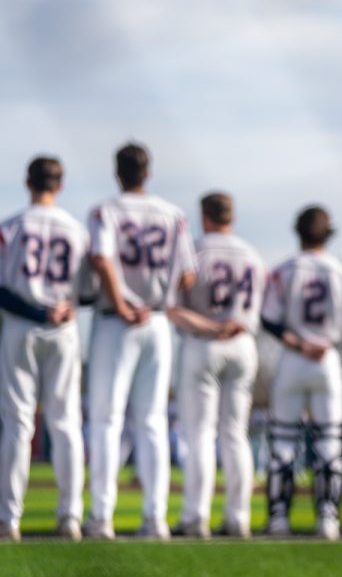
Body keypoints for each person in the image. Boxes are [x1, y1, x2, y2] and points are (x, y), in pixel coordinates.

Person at [86, 143, 197, 540]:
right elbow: (188, 275)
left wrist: (121, 303)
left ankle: (102, 517)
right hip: (158, 321)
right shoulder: (174, 215)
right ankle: (156, 518)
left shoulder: (106, 211)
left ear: (118, 172)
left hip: (117, 322)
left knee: (107, 420)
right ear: (147, 173)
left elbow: (101, 259)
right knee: (151, 422)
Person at [0, 157, 92, 541]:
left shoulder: (11, 227)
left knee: (19, 423)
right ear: (61, 183)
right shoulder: (77, 229)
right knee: (66, 422)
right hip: (64, 329)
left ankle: (9, 519)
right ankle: (70, 516)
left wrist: (37, 309)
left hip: (21, 325)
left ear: (27, 181)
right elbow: (88, 291)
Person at [167, 192, 266, 539]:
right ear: (232, 217)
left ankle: (196, 517)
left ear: (204, 216)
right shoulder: (252, 253)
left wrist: (211, 327)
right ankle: (238, 518)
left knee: (200, 436)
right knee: (235, 435)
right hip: (243, 344)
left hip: (204, 342)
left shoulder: (194, 250)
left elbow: (174, 308)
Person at [260, 206, 342, 540]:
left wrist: (299, 343)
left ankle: (278, 518)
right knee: (329, 443)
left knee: (284, 441)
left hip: (292, 357)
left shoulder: (284, 270)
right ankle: (327, 518)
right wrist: (321, 343)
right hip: (326, 359)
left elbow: (270, 319)